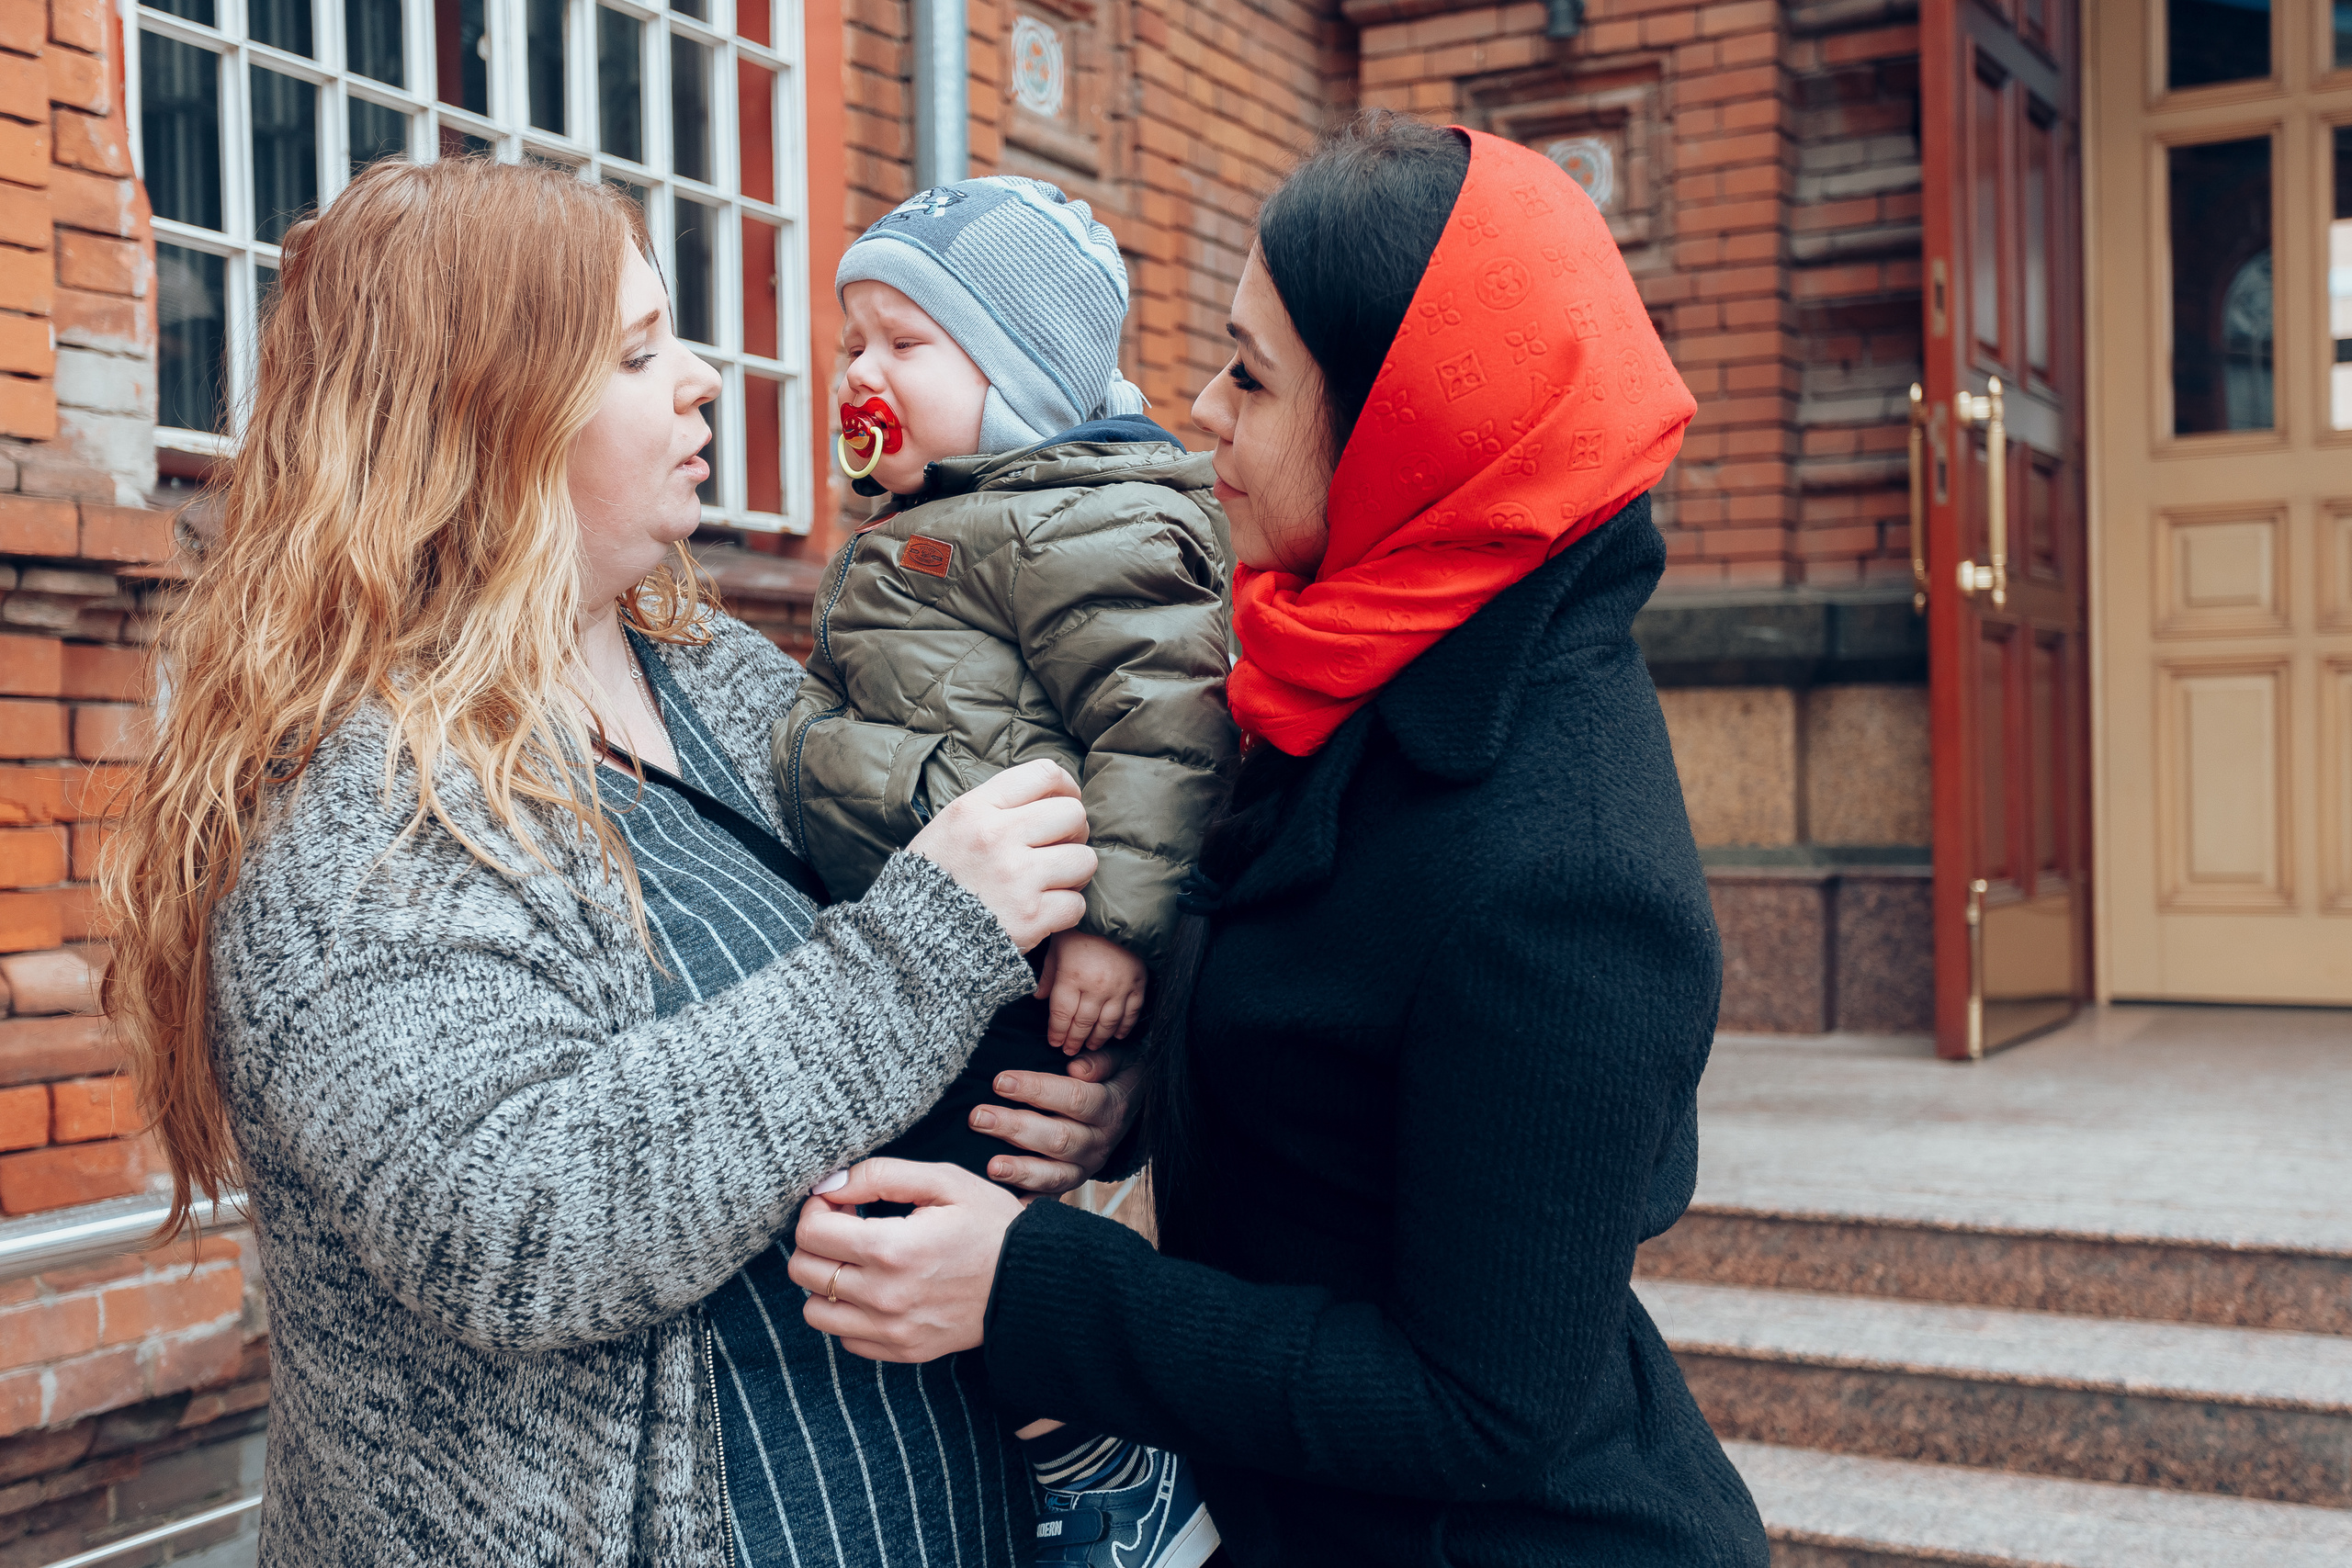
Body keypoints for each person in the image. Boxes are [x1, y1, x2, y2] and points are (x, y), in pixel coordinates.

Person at [100, 157, 1125, 1567]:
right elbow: (516, 1221)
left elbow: (889, 1014)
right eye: (641, 353)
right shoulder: (356, 803)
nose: (705, 377)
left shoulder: (714, 675)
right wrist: (927, 947)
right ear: (486, 419)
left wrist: (1076, 1096)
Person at [779, 117, 1775, 1567]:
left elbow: (1482, 1410)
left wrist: (1025, 1286)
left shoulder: (1566, 880)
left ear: (1402, 422)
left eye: (1250, 373)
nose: (1198, 409)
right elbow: (1350, 1084)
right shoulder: (1341, 674)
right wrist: (1146, 1093)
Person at [757, 175, 1234, 1568]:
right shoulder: (952, 517)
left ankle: (1109, 1470)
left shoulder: (1081, 524)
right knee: (915, 1223)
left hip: (1026, 977)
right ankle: (1052, 1460)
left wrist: (1114, 933)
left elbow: (1168, 727)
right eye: (855, 342)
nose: (863, 372)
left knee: (951, 1222)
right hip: (944, 957)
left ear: (1018, 377)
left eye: (906, 345)